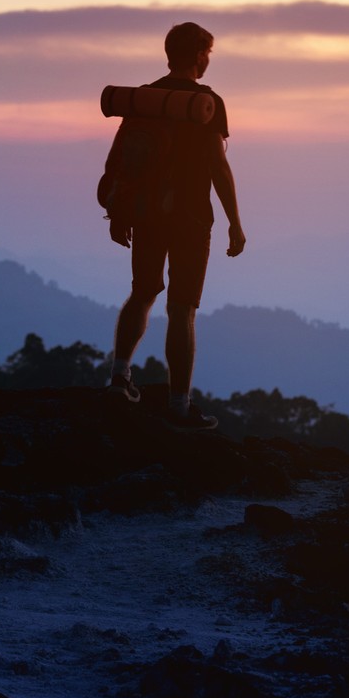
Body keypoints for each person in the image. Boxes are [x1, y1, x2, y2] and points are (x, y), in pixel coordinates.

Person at [104, 21, 245, 423]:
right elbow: (219, 167)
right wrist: (235, 222)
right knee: (182, 309)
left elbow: (123, 160)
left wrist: (118, 212)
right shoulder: (207, 102)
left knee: (142, 292)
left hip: (146, 213)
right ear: (199, 54)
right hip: (190, 216)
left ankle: (118, 378)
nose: (208, 60)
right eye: (208, 53)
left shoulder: (146, 98)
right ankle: (179, 406)